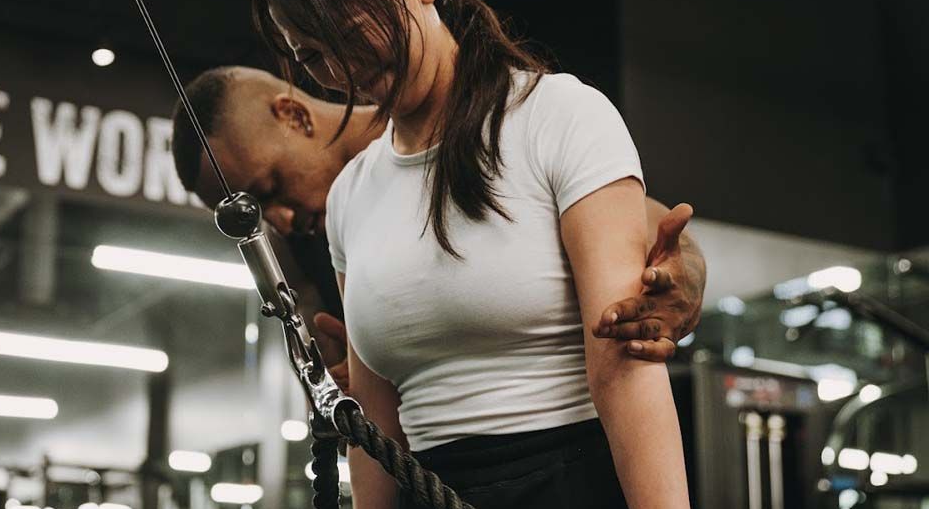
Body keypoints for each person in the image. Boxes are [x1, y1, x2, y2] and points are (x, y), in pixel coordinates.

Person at [238, 0, 718, 509]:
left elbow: (623, 363)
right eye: (310, 54)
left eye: (343, 32)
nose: (337, 70)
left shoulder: (559, 117)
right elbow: (377, 425)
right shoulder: (355, 195)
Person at [171, 66, 707, 395]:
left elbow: (651, 222)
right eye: (259, 213)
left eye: (270, 188)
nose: (280, 220)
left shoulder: (445, 132)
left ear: (293, 115)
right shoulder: (314, 235)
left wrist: (686, 268)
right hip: (424, 489)